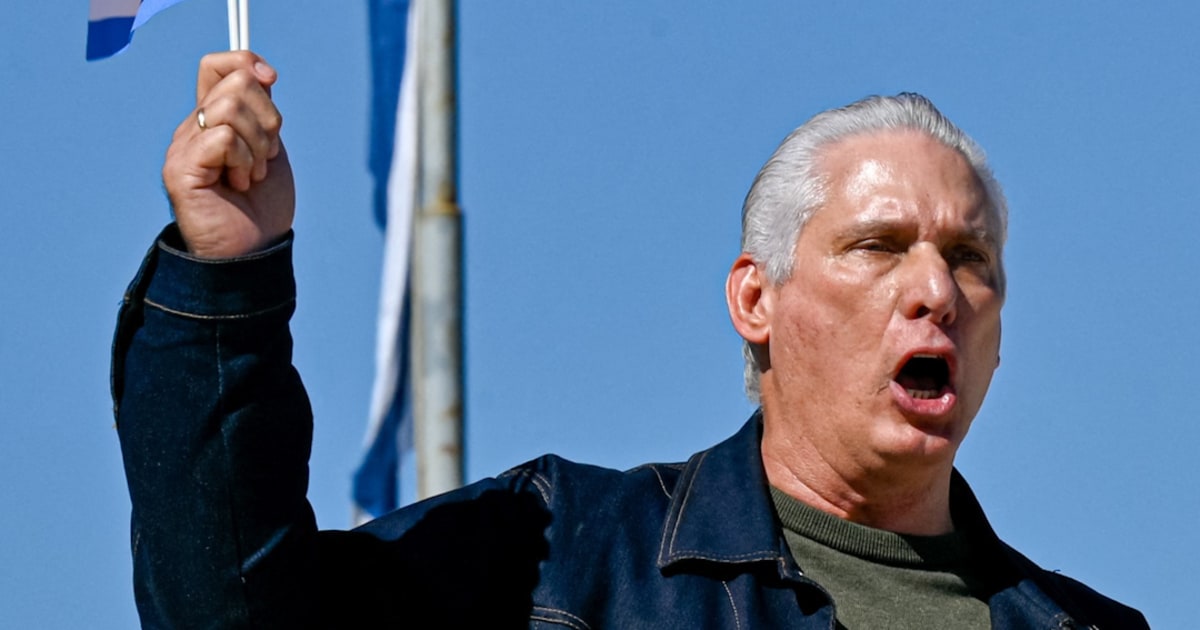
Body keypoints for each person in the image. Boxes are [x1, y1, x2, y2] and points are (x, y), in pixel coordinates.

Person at [113, 51, 1148, 628]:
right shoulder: (559, 558)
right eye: (878, 247)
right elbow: (235, 615)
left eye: (971, 260)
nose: (935, 291)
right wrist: (226, 280)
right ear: (756, 300)